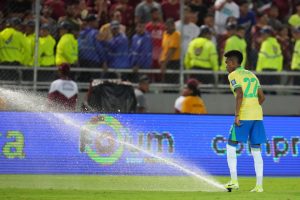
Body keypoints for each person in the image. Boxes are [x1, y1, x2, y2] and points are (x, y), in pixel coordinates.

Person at [223, 50, 267, 193]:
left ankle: (234, 181)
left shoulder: (233, 75)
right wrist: (254, 107)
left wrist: (237, 115)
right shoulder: (252, 75)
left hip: (244, 115)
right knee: (256, 150)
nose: (225, 65)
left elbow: (239, 94)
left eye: (227, 62)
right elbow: (262, 97)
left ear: (234, 63)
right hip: (257, 115)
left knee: (231, 144)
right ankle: (259, 186)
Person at [160, 18, 181, 83]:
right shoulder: (165, 34)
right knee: (165, 82)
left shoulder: (176, 34)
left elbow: (171, 51)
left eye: (169, 26)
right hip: (165, 61)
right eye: (166, 25)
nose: (167, 28)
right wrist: (161, 59)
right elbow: (163, 48)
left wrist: (164, 64)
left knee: (172, 83)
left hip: (173, 62)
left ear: (173, 26)